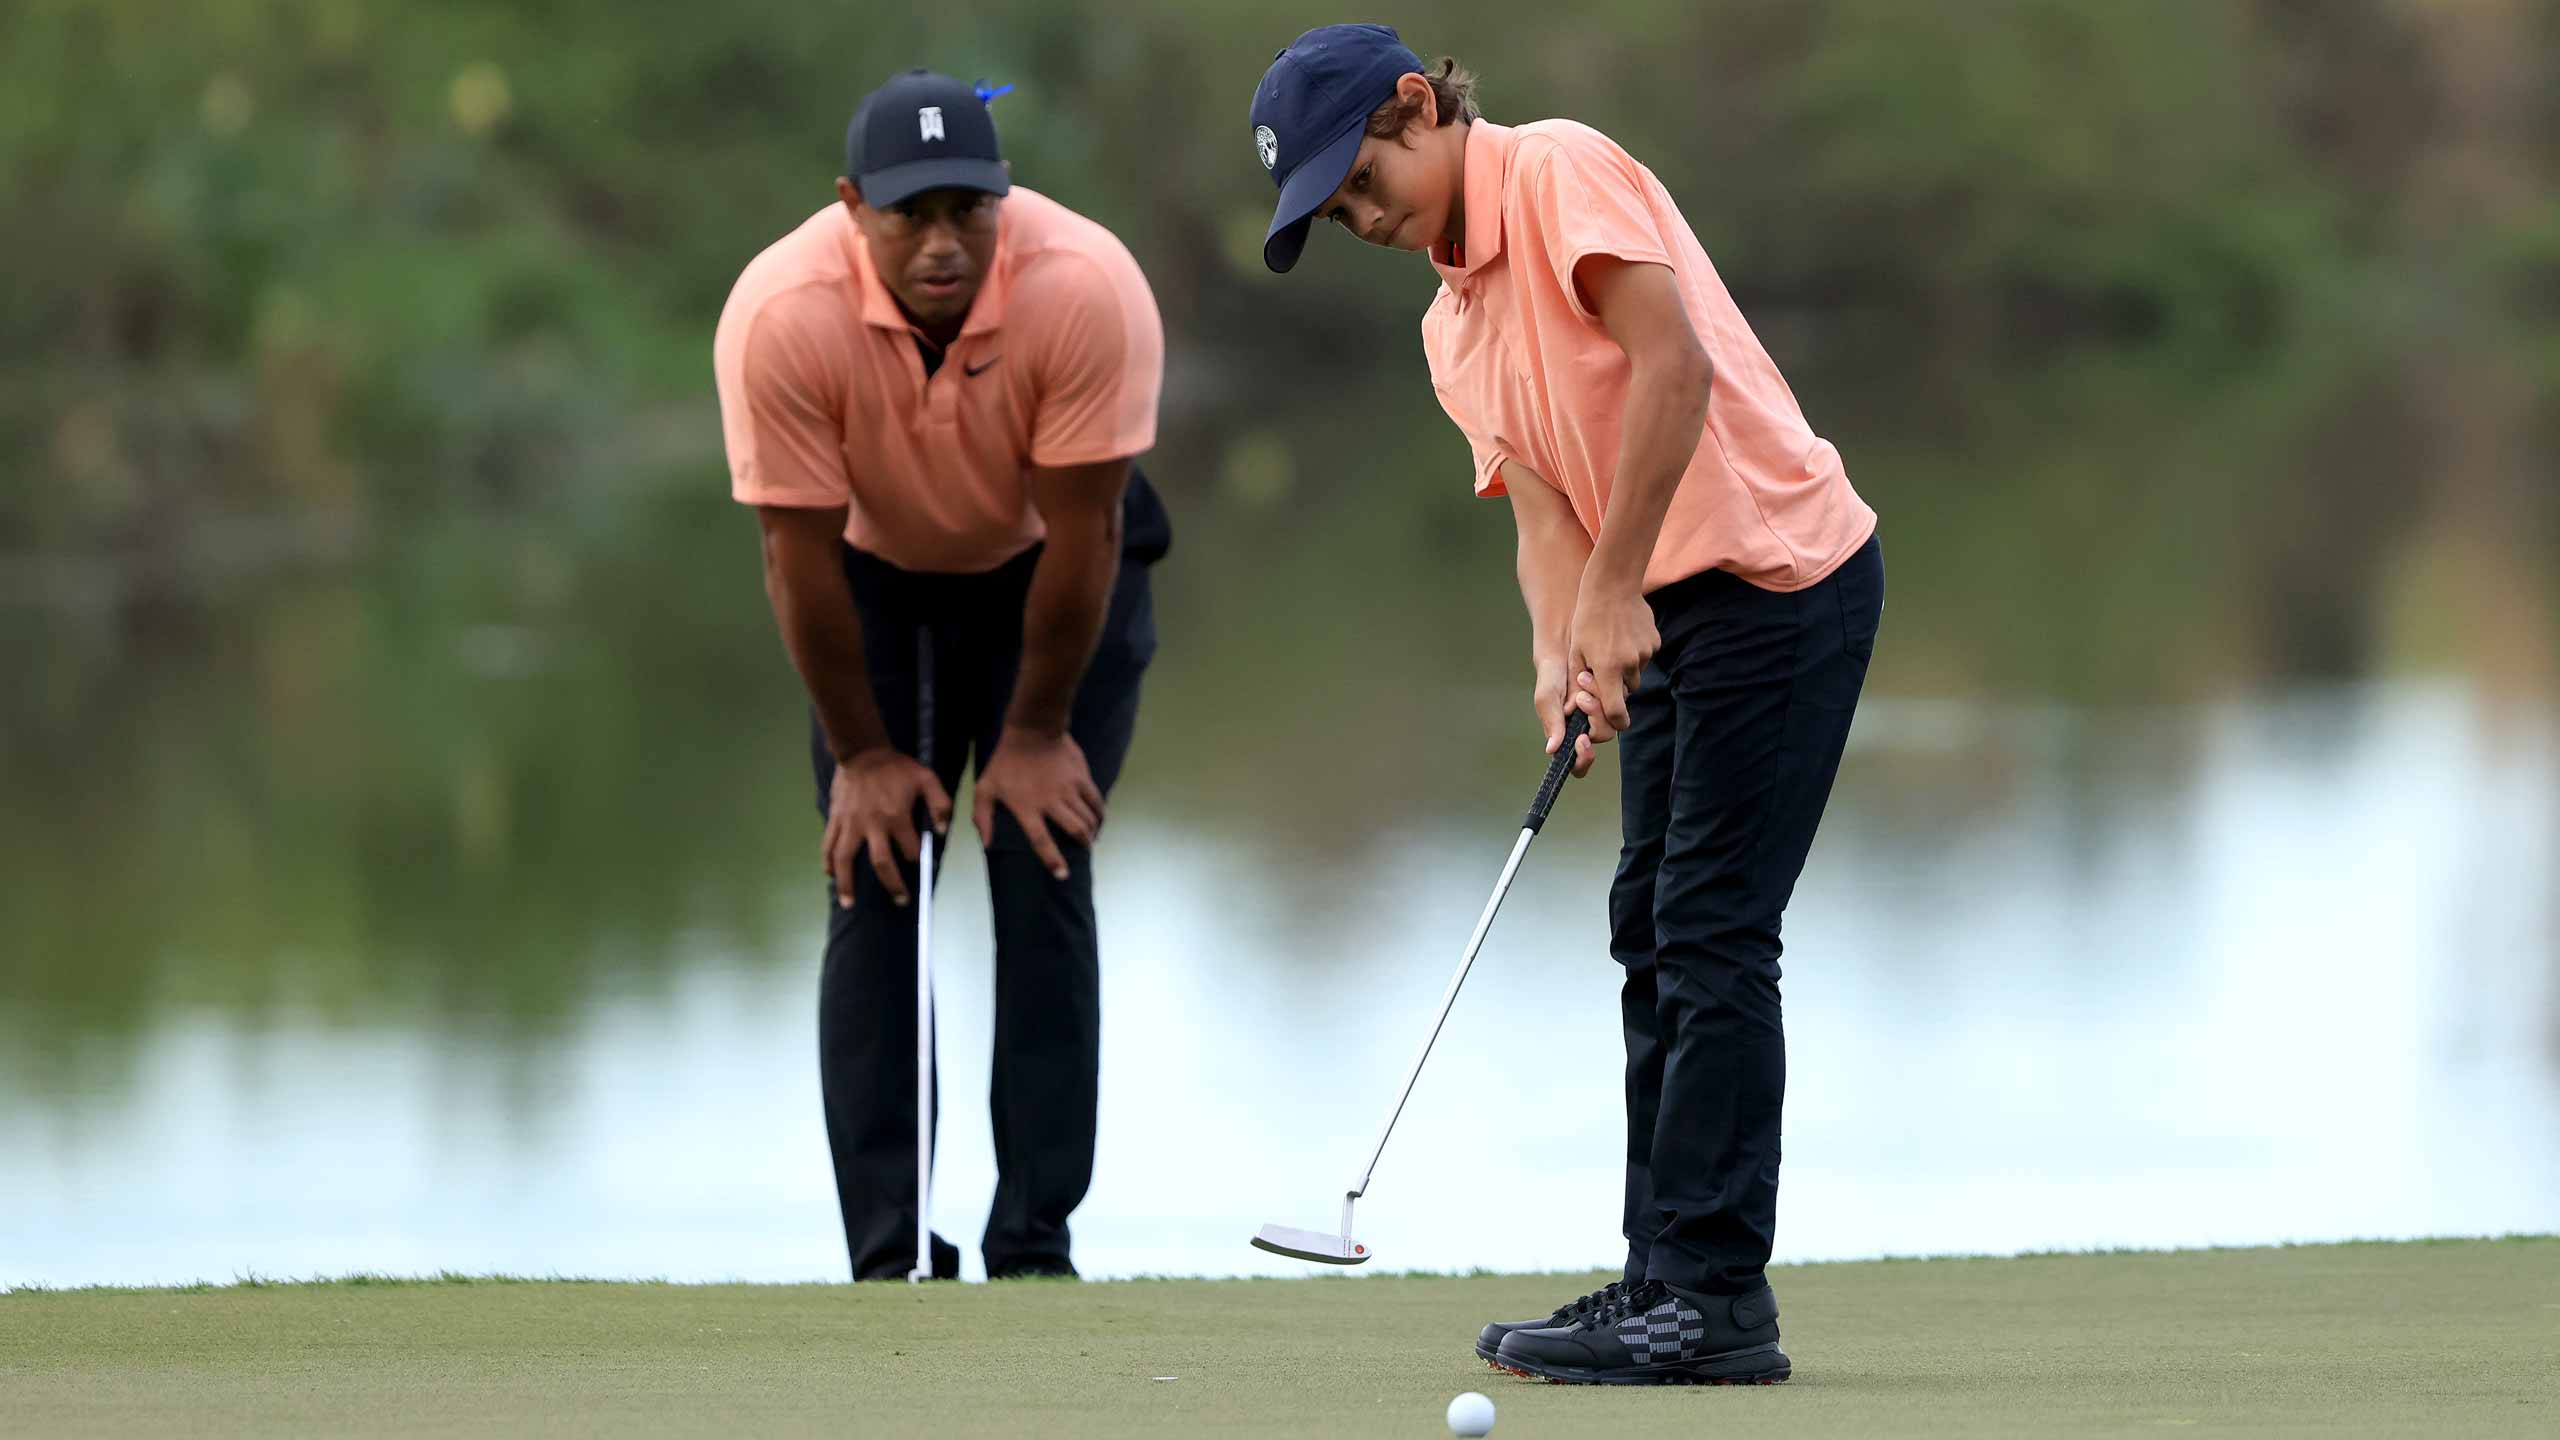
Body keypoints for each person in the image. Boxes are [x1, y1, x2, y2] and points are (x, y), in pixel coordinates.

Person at [1248, 26, 1881, 1382]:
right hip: (1664, 601)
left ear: (1416, 105)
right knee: (1647, 923)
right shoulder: (1448, 324)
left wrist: (1611, 593)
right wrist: (1563, 649)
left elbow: (1674, 370)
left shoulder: (1555, 172)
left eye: (1363, 181)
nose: (1364, 219)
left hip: (1780, 574)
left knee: (1711, 928)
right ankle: (1662, 1276)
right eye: (1337, 213)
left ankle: (1714, 1300)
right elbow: (1542, 515)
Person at [713, 69, 1171, 1281]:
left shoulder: (1084, 288)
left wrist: (1034, 732)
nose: (939, 242)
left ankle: (1033, 1247)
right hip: (871, 578)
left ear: (1003, 203)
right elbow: (792, 557)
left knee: (1040, 859)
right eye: (908, 214)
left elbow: (1090, 536)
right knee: (875, 879)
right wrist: (863, 758)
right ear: (852, 204)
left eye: (967, 209)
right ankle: (889, 1256)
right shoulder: (783, 311)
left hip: (1055, 575)